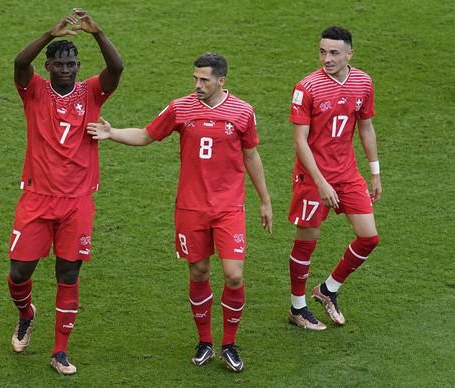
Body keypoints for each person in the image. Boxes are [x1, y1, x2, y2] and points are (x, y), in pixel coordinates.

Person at [87, 52, 273, 372]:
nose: (197, 85)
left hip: (229, 208)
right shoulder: (180, 108)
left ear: (221, 80)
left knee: (234, 274)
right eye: (195, 78)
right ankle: (205, 342)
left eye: (204, 80)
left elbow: (252, 155)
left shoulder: (243, 112)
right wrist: (112, 133)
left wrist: (265, 200)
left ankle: (229, 343)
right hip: (190, 208)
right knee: (199, 272)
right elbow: (146, 135)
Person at [6, 8, 123, 375]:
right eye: (59, 63)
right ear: (48, 67)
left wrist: (97, 32)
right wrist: (48, 33)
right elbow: (18, 62)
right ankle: (26, 314)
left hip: (76, 203)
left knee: (68, 275)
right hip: (37, 198)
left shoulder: (90, 92)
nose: (67, 69)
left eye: (71, 63)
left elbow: (116, 69)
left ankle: (59, 352)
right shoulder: (34, 91)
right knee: (19, 273)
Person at [287, 26, 381, 330]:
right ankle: (297, 308)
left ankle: (327, 289)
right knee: (307, 240)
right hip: (312, 176)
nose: (326, 58)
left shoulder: (363, 82)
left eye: (334, 53)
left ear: (349, 54)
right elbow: (300, 141)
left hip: (347, 173)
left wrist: (375, 171)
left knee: (369, 237)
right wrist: (321, 182)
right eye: (322, 51)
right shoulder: (307, 88)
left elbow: (365, 127)